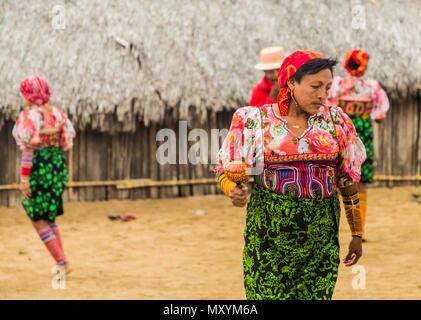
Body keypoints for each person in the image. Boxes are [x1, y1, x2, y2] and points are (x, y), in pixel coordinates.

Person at [215, 50, 366, 300]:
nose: (322, 95)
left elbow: (347, 183)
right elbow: (224, 167)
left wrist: (357, 234)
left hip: (319, 249)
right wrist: (230, 188)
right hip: (268, 248)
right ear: (291, 82)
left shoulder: (336, 123)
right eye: (315, 86)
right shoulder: (255, 121)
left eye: (327, 87)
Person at [13, 75, 76, 274]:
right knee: (48, 216)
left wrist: (24, 179)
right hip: (57, 165)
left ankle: (62, 262)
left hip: (40, 167)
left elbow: (29, 149)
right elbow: (66, 142)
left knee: (37, 218)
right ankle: (62, 261)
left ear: (28, 95)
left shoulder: (28, 117)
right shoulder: (58, 114)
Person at [326, 49, 390, 241]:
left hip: (342, 132)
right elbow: (380, 115)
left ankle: (331, 228)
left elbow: (328, 107)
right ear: (364, 65)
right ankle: (358, 230)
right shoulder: (373, 87)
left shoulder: (337, 84)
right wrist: (367, 114)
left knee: (335, 178)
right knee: (359, 181)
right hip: (362, 135)